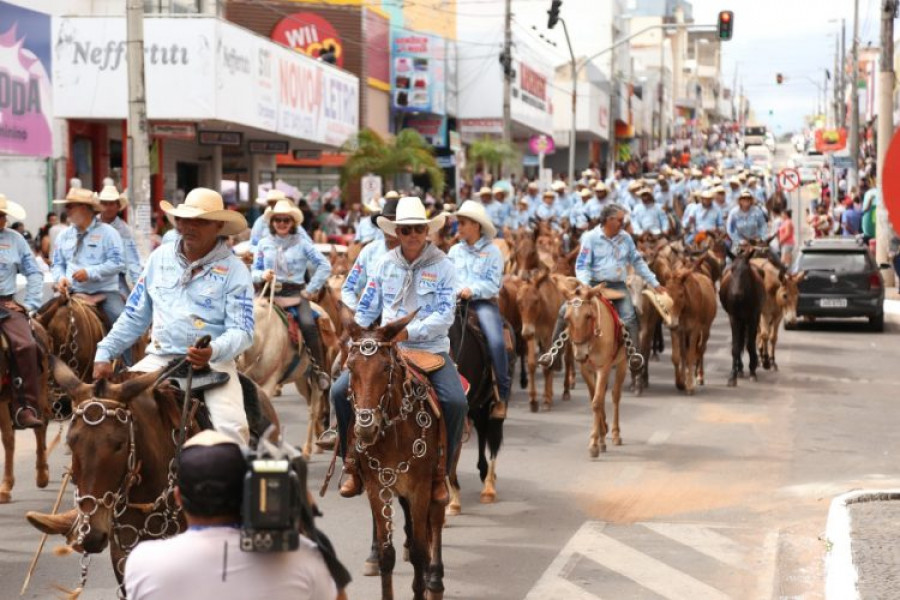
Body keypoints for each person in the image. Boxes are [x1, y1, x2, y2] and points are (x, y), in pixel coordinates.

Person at [27, 188, 256, 540]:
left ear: (217, 228)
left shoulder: (234, 270)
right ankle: (83, 509)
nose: (188, 226)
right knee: (98, 418)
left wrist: (214, 351)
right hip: (159, 356)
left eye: (198, 222)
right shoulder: (160, 258)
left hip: (212, 363)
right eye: (183, 219)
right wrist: (105, 351)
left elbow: (243, 330)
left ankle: (232, 516)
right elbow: (135, 314)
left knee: (232, 430)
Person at [330, 197, 466, 503]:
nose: (413, 235)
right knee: (338, 392)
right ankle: (351, 463)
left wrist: (409, 331)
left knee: (456, 402)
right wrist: (356, 335)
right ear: (397, 233)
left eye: (418, 228)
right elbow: (367, 308)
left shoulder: (444, 266)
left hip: (430, 349)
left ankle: (441, 472)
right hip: (386, 348)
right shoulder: (384, 263)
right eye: (406, 230)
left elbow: (445, 315)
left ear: (427, 231)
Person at [124, 430, 341, 600]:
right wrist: (308, 524)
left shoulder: (143, 560)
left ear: (178, 497)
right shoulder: (302, 556)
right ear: (248, 491)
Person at [540, 204, 665, 368]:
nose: (623, 223)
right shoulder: (590, 238)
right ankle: (553, 355)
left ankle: (634, 357)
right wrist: (585, 286)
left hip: (617, 287)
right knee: (565, 310)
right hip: (591, 287)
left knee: (629, 317)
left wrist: (655, 283)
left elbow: (638, 262)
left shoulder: (625, 238)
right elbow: (582, 264)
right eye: (619, 220)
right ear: (609, 220)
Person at [252, 200, 331, 391]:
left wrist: (311, 289)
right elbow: (254, 270)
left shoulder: (303, 244)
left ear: (292, 222)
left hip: (296, 294)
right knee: (247, 320)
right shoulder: (263, 244)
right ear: (271, 222)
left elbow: (325, 265)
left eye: (285, 219)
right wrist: (262, 275)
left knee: (308, 324)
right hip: (267, 294)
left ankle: (319, 371)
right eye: (277, 219)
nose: (281, 223)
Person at [448, 200, 509, 420]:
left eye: (463, 223)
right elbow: (447, 276)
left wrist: (471, 290)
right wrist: (456, 290)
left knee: (496, 341)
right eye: (458, 223)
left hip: (481, 303)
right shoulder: (454, 251)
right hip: (454, 302)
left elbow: (493, 284)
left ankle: (501, 395)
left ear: (476, 225)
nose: (459, 227)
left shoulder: (492, 252)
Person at [50, 187, 126, 331]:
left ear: (84, 208)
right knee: (43, 321)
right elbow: (57, 264)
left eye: (70, 206)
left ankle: (130, 354)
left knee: (122, 325)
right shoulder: (64, 235)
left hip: (104, 292)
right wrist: (60, 278)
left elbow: (118, 263)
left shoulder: (109, 233)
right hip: (71, 291)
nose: (67, 210)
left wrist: (89, 273)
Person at [0, 194, 45, 429]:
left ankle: (24, 407)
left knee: (27, 345)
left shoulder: (16, 239)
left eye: (2, 215)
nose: (1, 219)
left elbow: (34, 272)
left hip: (5, 305)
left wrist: (29, 304)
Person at [340, 196, 400, 312]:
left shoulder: (415, 253)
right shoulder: (369, 251)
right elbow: (349, 289)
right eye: (385, 222)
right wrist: (356, 312)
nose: (388, 227)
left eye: (393, 222)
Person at [97, 183, 143, 295]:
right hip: (89, 277)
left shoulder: (124, 230)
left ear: (117, 206)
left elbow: (133, 260)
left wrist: (139, 286)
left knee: (121, 310)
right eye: (104, 204)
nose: (108, 208)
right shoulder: (91, 224)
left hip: (115, 279)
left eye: (111, 204)